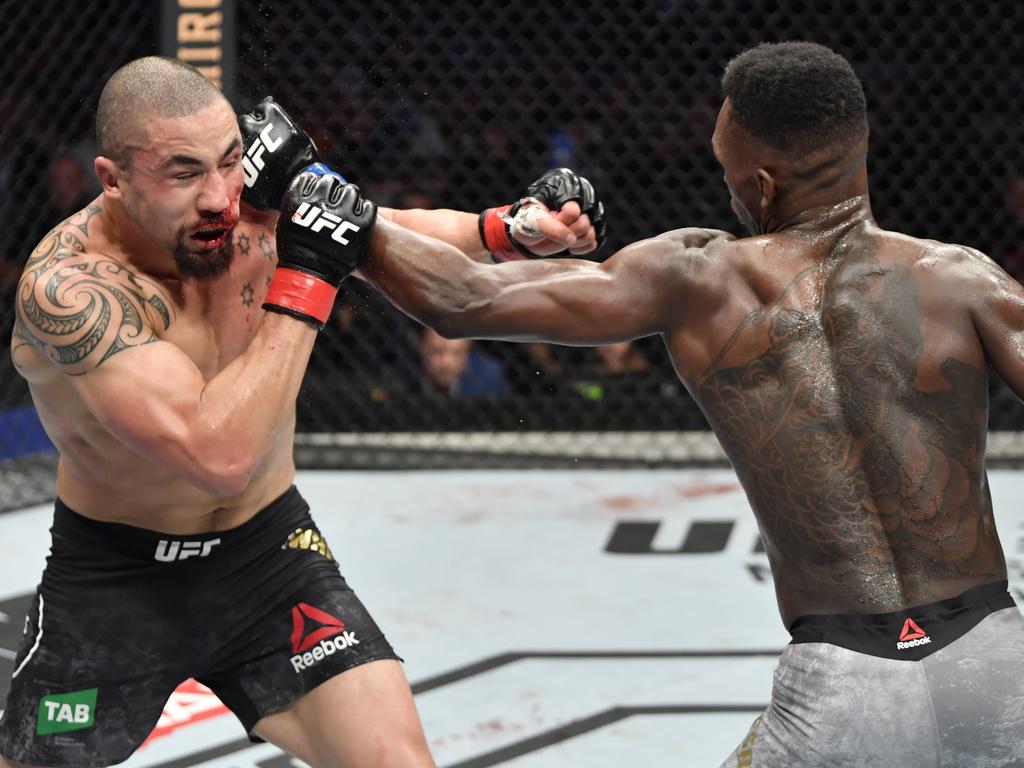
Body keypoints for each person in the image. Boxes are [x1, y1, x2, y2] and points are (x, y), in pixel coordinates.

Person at [357, 42, 1024, 766]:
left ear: (762, 184)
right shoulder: (962, 279)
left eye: (727, 168)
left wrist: (335, 214)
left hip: (843, 683)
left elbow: (461, 298)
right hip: (995, 659)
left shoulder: (699, 280)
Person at [0, 56, 602, 768]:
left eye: (229, 161)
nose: (220, 197)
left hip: (269, 556)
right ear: (112, 179)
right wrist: (309, 274)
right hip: (114, 577)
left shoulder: (247, 210)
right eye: (184, 172)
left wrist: (504, 230)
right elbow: (217, 455)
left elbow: (378, 228)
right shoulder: (70, 292)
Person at [417, 328, 508, 398]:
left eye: (457, 353)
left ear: (467, 355)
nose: (446, 362)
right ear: (423, 350)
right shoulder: (407, 377)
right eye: (437, 351)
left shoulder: (487, 378)